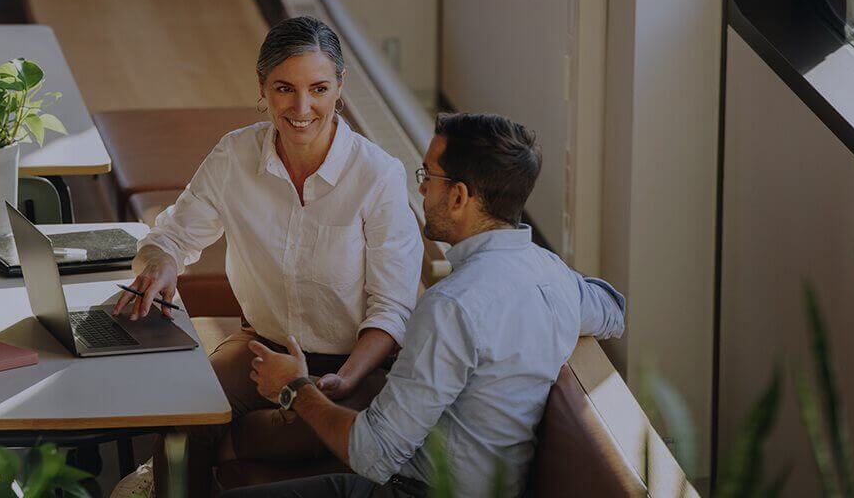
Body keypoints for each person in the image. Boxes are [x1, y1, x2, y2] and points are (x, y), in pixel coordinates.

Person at [227, 113, 628, 498]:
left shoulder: (452, 305)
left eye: (428, 176)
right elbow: (613, 308)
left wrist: (295, 387)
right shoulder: (551, 274)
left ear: (458, 196)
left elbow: (373, 454)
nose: (421, 189)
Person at [121, 16, 424, 495]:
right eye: (285, 88)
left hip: (352, 366)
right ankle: (179, 473)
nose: (303, 108)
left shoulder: (378, 177)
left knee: (328, 422)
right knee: (186, 406)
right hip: (262, 348)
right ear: (262, 86)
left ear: (340, 87)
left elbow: (391, 310)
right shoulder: (234, 155)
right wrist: (162, 262)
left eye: (319, 88)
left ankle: (223, 447)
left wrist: (339, 383)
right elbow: (175, 235)